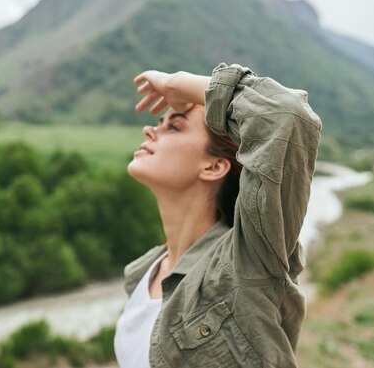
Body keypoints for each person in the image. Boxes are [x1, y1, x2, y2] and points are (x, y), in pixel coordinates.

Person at [113, 62, 322, 368]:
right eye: (160, 122)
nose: (150, 129)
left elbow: (286, 114)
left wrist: (178, 84)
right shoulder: (142, 274)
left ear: (213, 167)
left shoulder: (246, 260)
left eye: (174, 125)